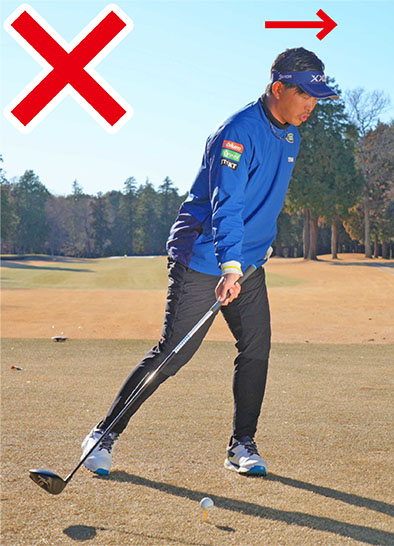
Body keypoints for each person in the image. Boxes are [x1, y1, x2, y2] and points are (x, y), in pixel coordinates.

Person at [81, 47, 338, 477]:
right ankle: (102, 435)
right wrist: (229, 265)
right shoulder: (236, 134)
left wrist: (257, 250)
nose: (311, 104)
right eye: (305, 94)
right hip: (203, 257)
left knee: (256, 348)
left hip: (246, 263)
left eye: (316, 96)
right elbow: (227, 205)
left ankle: (241, 445)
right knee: (173, 354)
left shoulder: (292, 137)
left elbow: (264, 202)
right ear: (278, 88)